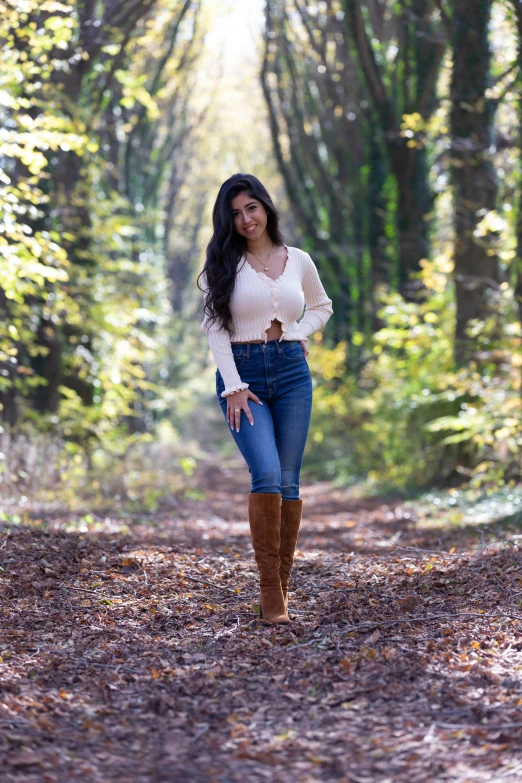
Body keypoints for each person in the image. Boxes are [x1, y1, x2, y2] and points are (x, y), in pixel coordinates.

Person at [198, 173, 333, 625]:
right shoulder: (224, 263)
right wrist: (233, 386)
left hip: (293, 373)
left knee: (290, 481)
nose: (245, 219)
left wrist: (297, 331)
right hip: (244, 377)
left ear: (265, 207)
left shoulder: (298, 260)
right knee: (268, 473)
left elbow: (322, 306)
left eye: (250, 208)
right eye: (235, 214)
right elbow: (216, 329)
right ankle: (267, 584)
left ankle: (279, 590)